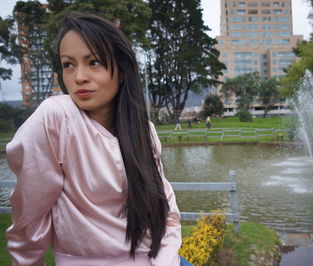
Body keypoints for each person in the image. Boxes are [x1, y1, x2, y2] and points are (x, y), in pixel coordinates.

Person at [6, 13, 188, 266]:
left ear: (122, 71)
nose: (79, 76)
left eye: (94, 62)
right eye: (68, 64)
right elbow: (29, 216)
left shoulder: (143, 130)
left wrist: (167, 261)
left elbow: (166, 212)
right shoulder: (56, 118)